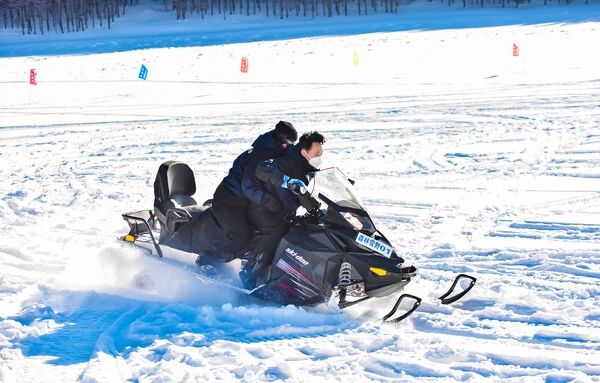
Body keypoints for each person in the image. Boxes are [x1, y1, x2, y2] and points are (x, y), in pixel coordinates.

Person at [238, 131, 326, 289]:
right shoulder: (288, 161)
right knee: (276, 230)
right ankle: (250, 273)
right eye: (317, 153)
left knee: (304, 232)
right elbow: (263, 168)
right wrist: (286, 180)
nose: (319, 157)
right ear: (304, 152)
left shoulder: (308, 170)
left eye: (321, 153)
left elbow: (302, 192)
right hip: (263, 207)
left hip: (283, 211)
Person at [209, 121, 298, 263]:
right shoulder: (260, 154)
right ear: (278, 140)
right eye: (286, 143)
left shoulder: (276, 150)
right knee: (240, 236)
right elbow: (249, 186)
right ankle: (209, 261)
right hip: (229, 201)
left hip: (246, 203)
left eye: (290, 144)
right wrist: (270, 202)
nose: (288, 147)